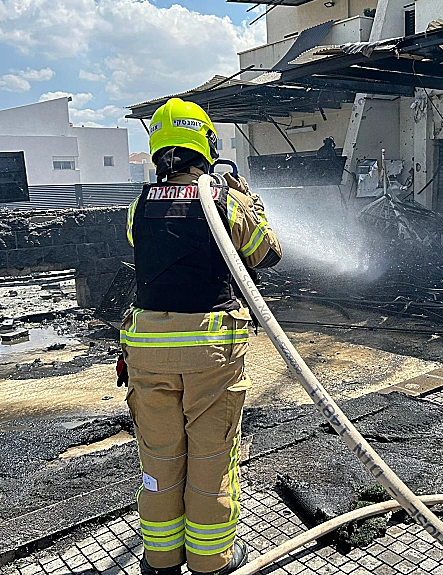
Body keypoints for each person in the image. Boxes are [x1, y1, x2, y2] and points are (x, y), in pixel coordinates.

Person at [122, 98, 282, 575]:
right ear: (206, 145)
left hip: (148, 352)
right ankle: (211, 560)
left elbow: (147, 246)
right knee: (211, 454)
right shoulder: (224, 202)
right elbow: (267, 254)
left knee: (160, 455)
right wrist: (251, 204)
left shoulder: (138, 206)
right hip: (210, 352)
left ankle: (162, 559)